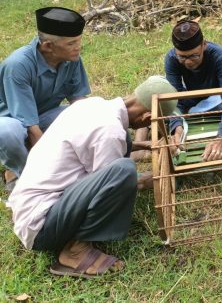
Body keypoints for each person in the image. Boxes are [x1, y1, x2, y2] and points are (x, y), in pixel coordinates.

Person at [7, 76, 177, 278]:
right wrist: (148, 180)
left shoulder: (92, 105)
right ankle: (75, 251)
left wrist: (140, 145)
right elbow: (111, 185)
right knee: (124, 170)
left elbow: (93, 143)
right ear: (147, 118)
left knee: (121, 167)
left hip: (29, 211)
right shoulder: (110, 132)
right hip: (41, 226)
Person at [0, 7, 90, 191]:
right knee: (7, 132)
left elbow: (79, 102)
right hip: (12, 120)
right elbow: (30, 126)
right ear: (48, 46)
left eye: (79, 41)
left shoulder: (71, 58)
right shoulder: (18, 65)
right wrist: (50, 169)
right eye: (71, 43)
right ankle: (26, 177)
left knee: (87, 113)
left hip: (42, 116)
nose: (78, 47)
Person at [165, 20, 222, 161]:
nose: (188, 62)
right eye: (182, 57)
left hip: (219, 97)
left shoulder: (220, 56)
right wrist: (177, 127)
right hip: (193, 96)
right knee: (157, 86)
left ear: (204, 45)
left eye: (194, 56)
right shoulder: (171, 59)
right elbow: (174, 97)